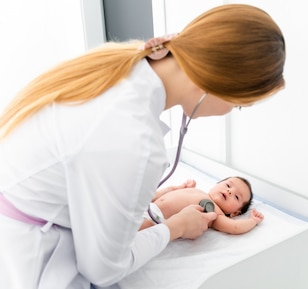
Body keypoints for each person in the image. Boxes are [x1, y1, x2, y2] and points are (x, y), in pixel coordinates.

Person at [0, 4, 285, 289]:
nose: (229, 110)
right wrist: (176, 228)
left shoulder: (125, 65)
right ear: (216, 85)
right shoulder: (135, 141)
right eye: (237, 105)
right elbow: (104, 270)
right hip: (29, 260)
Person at [139, 176, 264, 235]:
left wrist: (252, 221)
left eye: (236, 197)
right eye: (228, 185)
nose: (230, 191)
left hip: (154, 220)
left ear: (234, 213)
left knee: (128, 232)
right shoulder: (200, 192)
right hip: (146, 205)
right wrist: (182, 187)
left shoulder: (214, 213)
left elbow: (234, 227)